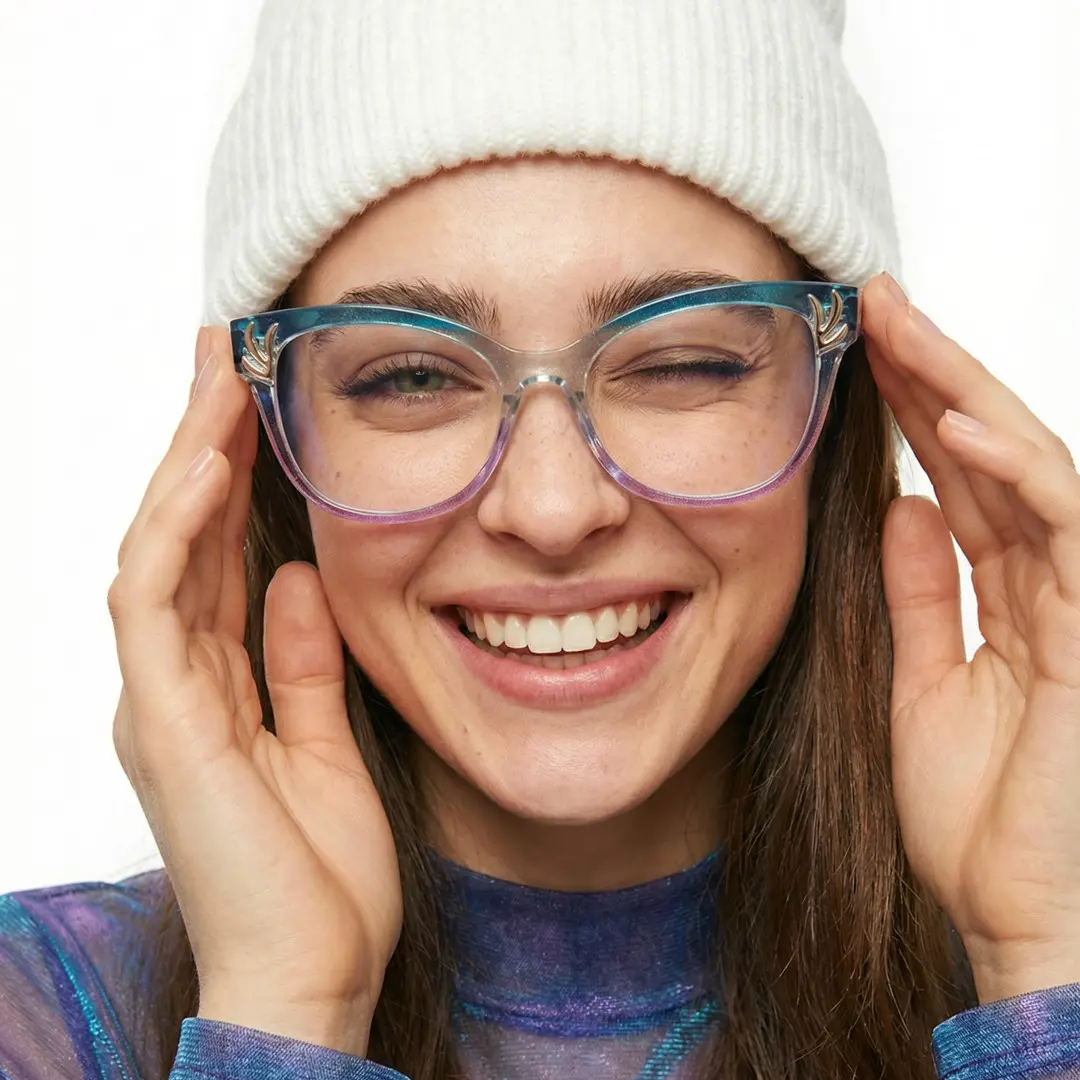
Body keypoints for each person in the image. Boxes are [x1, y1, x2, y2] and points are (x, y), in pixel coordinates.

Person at [3, 1, 1079, 1078]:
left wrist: (1044, 955)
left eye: (681, 364)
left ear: (844, 396)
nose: (554, 509)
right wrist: (287, 1008)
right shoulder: (36, 1014)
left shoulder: (1047, 956)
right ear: (260, 432)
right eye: (412, 376)